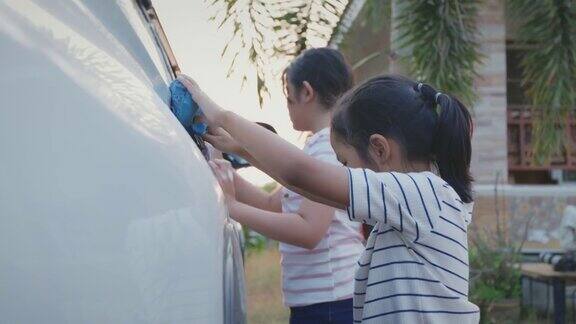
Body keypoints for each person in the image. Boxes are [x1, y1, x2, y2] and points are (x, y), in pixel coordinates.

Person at [179, 73, 481, 323]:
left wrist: (222, 116)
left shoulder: (424, 194)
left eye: (345, 163)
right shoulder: (413, 203)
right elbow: (309, 187)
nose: (341, 171)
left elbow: (303, 173)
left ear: (379, 149)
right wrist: (243, 150)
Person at [203, 48, 365, 323]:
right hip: (320, 301)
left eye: (288, 98)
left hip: (331, 303)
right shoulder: (317, 147)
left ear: (306, 92)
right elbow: (270, 204)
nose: (287, 107)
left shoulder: (328, 147)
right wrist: (223, 172)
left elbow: (309, 231)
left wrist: (232, 208)